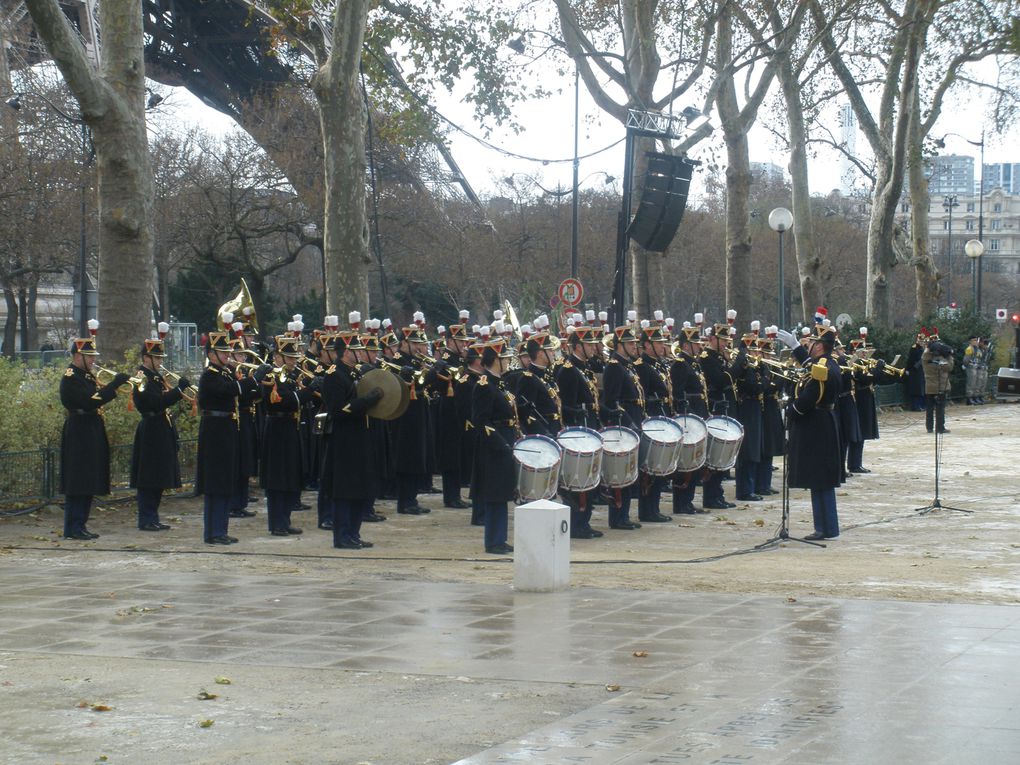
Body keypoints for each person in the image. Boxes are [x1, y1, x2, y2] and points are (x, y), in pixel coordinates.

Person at [59, 321, 130, 540]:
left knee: (88, 478)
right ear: (78, 356)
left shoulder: (87, 376)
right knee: (78, 480)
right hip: (79, 431)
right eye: (89, 357)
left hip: (90, 429)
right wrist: (114, 386)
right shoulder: (71, 378)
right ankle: (72, 526)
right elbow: (90, 401)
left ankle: (81, 523)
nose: (93, 360)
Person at [196, 330, 266, 544]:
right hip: (215, 430)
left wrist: (259, 384)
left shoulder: (224, 373)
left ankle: (220, 529)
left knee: (225, 480)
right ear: (211, 354)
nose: (227, 356)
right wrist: (255, 378)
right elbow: (229, 390)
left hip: (227, 428)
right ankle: (213, 531)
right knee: (216, 483)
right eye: (222, 352)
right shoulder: (209, 376)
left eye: (227, 352)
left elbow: (242, 393)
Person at [776, 323, 843, 540]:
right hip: (824, 422)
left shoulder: (822, 368)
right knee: (822, 479)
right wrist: (796, 347)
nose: (809, 345)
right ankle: (828, 526)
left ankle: (824, 527)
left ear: (819, 346)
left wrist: (790, 411)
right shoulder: (827, 363)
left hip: (816, 424)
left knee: (819, 478)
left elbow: (809, 396)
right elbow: (809, 368)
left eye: (811, 342)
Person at [320, 330, 384, 549]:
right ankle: (342, 536)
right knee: (345, 489)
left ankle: (354, 533)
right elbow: (337, 410)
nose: (360, 353)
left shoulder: (354, 373)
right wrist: (366, 401)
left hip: (360, 435)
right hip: (344, 439)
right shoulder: (333, 375)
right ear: (346, 351)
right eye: (356, 350)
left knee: (359, 487)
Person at [259, 336, 319, 536]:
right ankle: (276, 523)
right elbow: (284, 401)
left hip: (290, 426)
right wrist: (310, 390)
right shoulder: (271, 375)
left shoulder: (291, 376)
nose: (294, 362)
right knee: (278, 478)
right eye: (289, 358)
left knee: (290, 475)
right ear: (277, 356)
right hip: (277, 427)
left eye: (295, 357)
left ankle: (285, 520)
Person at [130, 327, 189, 531]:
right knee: (149, 477)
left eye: (160, 357)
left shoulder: (155, 377)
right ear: (146, 358)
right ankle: (146, 518)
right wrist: (179, 391)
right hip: (151, 429)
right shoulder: (142, 378)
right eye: (156, 357)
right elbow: (155, 402)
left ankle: (152, 516)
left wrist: (177, 391)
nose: (160, 361)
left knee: (159, 476)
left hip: (161, 428)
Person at [470, 328, 518, 554]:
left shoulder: (499, 383)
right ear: (496, 359)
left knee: (502, 494)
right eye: (506, 357)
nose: (508, 361)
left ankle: (500, 538)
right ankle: (493, 540)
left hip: (505, 442)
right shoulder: (483, 385)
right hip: (494, 447)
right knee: (495, 494)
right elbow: (481, 421)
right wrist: (500, 443)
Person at [556, 318, 604, 538]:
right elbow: (564, 403)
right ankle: (577, 523)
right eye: (589, 344)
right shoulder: (568, 370)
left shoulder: (583, 368)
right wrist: (575, 414)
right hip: (577, 430)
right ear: (577, 346)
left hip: (589, 425)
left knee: (591, 478)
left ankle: (585, 521)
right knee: (578, 480)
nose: (594, 347)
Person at [600, 316, 645, 530]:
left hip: (633, 418)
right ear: (619, 345)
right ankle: (617, 517)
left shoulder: (626, 366)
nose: (634, 346)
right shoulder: (614, 367)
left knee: (629, 471)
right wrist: (627, 421)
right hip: (623, 424)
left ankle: (624, 515)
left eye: (634, 343)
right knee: (620, 472)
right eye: (629, 344)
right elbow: (612, 400)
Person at [634, 317, 673, 522]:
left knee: (659, 468)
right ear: (647, 345)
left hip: (662, 417)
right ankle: (647, 510)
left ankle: (654, 508)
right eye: (658, 343)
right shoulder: (642, 366)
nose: (662, 346)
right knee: (649, 468)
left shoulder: (659, 365)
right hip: (651, 420)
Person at [922, 329, 954, 434]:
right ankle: (940, 427)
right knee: (940, 409)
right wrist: (947, 355)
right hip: (940, 386)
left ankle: (929, 427)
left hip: (930, 387)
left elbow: (926, 356)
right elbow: (949, 367)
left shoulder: (925, 358)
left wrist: (929, 349)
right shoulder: (940, 359)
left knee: (930, 409)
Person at [905, 332, 927, 411]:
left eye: (922, 341)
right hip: (915, 371)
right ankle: (916, 406)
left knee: (922, 389)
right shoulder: (914, 348)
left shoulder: (923, 348)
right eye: (920, 341)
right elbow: (910, 360)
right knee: (916, 390)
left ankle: (922, 405)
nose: (921, 342)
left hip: (922, 370)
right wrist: (908, 369)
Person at [963, 336, 982, 405]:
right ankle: (969, 398)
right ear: (970, 341)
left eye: (976, 340)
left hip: (976, 367)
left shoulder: (977, 349)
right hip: (971, 367)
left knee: (976, 383)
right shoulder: (969, 349)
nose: (976, 342)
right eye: (974, 340)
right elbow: (966, 360)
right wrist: (968, 365)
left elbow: (979, 357)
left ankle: (974, 396)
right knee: (971, 383)